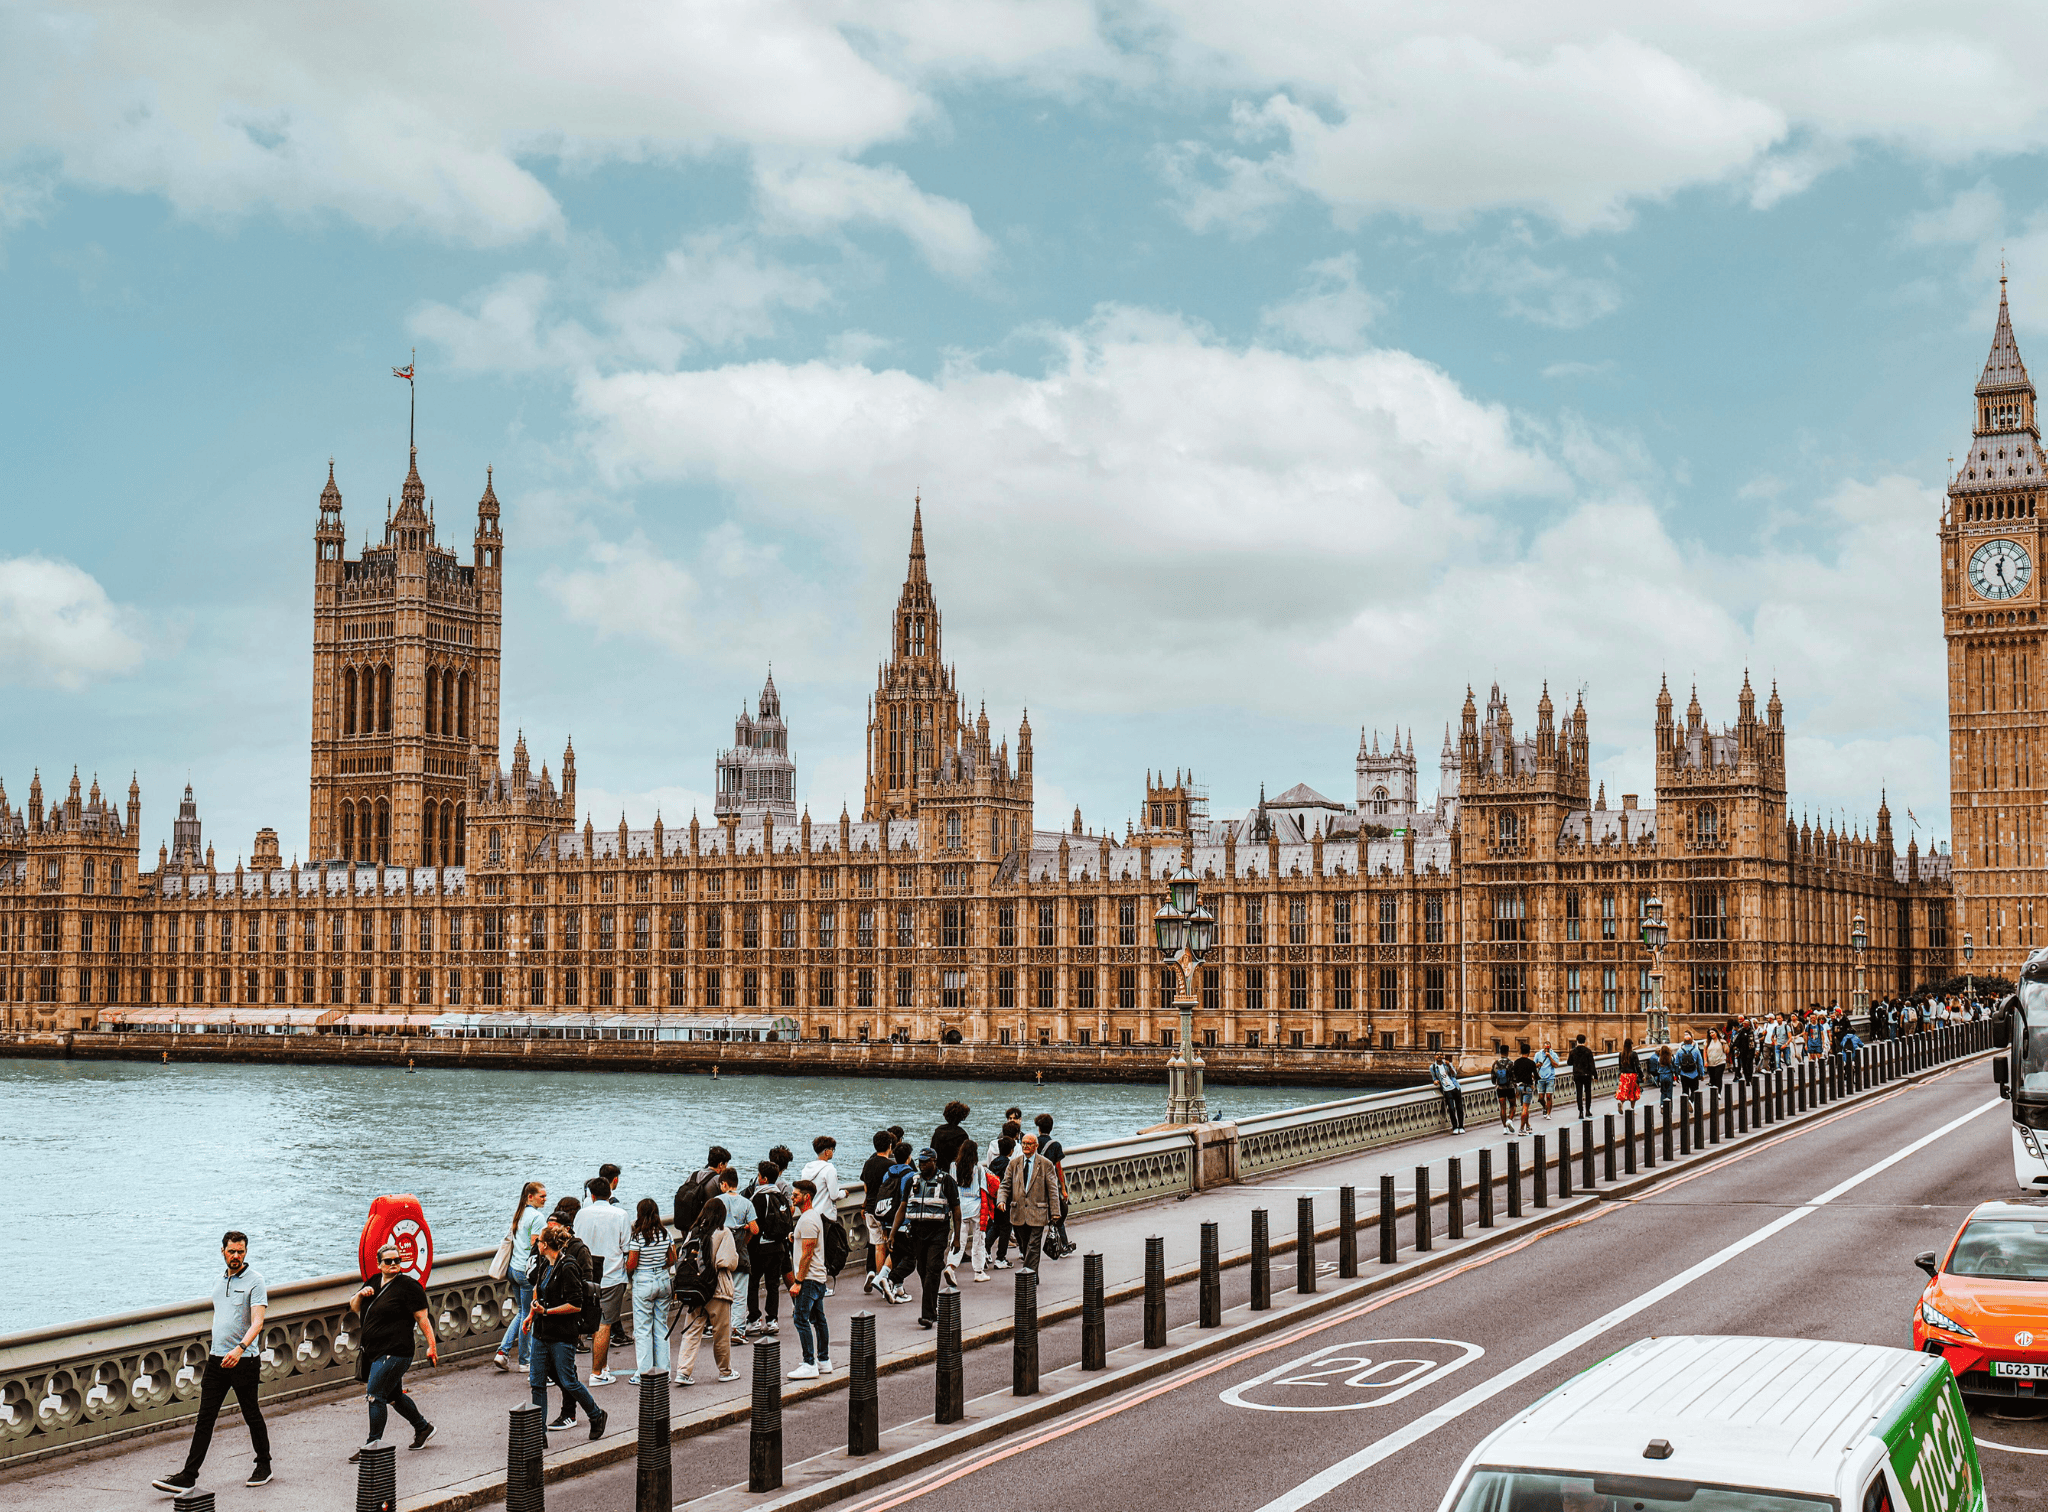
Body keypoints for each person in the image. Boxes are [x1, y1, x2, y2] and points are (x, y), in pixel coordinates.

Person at [152, 1230, 273, 1493]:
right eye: (232, 1251)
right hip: (217, 1360)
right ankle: (188, 1475)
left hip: (244, 1360)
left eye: (241, 1251)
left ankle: (264, 1464)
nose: (236, 1256)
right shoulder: (219, 1282)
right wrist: (220, 1350)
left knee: (251, 1413)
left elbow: (258, 1322)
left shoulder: (256, 1281)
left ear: (246, 1252)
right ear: (223, 1251)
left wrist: (240, 1349)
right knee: (205, 1418)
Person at [347, 1241, 437, 1459]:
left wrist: (432, 1347)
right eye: (388, 1261)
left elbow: (422, 1318)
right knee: (393, 1395)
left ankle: (372, 1445)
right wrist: (360, 1294)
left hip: (396, 1352)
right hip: (374, 1352)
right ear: (380, 1264)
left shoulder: (409, 1286)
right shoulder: (374, 1281)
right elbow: (354, 1306)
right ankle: (423, 1428)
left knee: (375, 1395)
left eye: (398, 1260)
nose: (394, 1264)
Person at [528, 1224, 607, 1439]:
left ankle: (596, 1414)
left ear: (545, 1245)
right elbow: (537, 1291)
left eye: (539, 1241)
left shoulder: (568, 1266)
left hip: (562, 1335)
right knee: (537, 1382)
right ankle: (538, 1433)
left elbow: (576, 1304)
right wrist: (531, 1314)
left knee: (568, 1380)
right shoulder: (545, 1265)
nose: (536, 1244)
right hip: (541, 1333)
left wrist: (547, 1311)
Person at [887, 1147, 962, 1328]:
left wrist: (957, 1237)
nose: (921, 1165)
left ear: (934, 1161)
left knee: (931, 1269)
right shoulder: (912, 1181)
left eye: (925, 1162)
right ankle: (933, 1308)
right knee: (923, 1271)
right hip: (917, 1232)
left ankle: (927, 1315)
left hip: (938, 1231)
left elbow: (957, 1210)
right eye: (920, 1162)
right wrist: (892, 1233)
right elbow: (902, 1208)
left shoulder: (946, 1181)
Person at [672, 1204, 741, 1387]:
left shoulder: (693, 1232)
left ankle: (683, 1372)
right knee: (721, 1332)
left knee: (692, 1331)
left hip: (696, 1289)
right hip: (717, 1289)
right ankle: (725, 1371)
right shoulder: (723, 1232)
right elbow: (727, 1261)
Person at [574, 1177, 631, 1387]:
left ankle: (603, 1367)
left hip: (586, 1275)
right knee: (604, 1324)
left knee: (589, 1321)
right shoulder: (620, 1214)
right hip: (611, 1275)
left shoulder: (581, 1214)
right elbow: (626, 1247)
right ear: (610, 1193)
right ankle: (597, 1372)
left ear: (592, 1195)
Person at [494, 1181, 548, 1373]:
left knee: (522, 1312)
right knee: (527, 1315)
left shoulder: (519, 1214)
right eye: (542, 1196)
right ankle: (524, 1360)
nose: (545, 1199)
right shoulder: (538, 1217)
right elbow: (537, 1248)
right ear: (530, 1197)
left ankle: (503, 1352)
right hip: (527, 1272)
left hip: (513, 1270)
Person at [784, 1179, 834, 1379]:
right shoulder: (812, 1217)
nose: (792, 1197)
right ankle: (823, 1360)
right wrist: (794, 1237)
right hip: (817, 1277)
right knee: (818, 1319)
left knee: (800, 1319)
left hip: (809, 1279)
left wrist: (798, 1282)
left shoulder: (807, 1220)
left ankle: (809, 1363)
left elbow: (807, 1253)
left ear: (807, 1197)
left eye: (795, 1195)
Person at [743, 1159, 795, 1338]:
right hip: (778, 1247)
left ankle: (754, 1319)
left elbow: (753, 1224)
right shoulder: (780, 1196)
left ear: (763, 1178)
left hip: (759, 1248)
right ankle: (772, 1320)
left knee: (753, 1282)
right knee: (773, 1284)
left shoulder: (758, 1197)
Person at [625, 1198, 675, 1385]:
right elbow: (672, 1259)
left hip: (644, 1281)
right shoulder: (666, 1233)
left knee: (643, 1329)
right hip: (662, 1279)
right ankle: (664, 1372)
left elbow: (632, 1263)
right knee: (661, 1326)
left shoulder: (638, 1236)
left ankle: (644, 1373)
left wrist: (627, 1269)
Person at [999, 1131, 1060, 1272]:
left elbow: (1052, 1189)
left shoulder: (1046, 1164)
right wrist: (1001, 1200)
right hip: (1018, 1211)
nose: (1025, 1146)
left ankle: (1028, 1277)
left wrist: (1055, 1212)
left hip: (1038, 1212)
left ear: (1036, 1146)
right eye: (1024, 1143)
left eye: (1029, 1144)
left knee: (1034, 1244)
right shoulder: (1014, 1164)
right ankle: (1033, 1274)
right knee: (1025, 1245)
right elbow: (1005, 1184)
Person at [798, 1135, 845, 1295]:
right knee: (823, 1253)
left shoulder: (806, 1168)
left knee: (810, 1253)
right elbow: (833, 1194)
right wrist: (843, 1194)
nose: (833, 1152)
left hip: (810, 1214)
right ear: (826, 1152)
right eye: (832, 1150)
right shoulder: (829, 1169)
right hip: (825, 1216)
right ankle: (821, 1286)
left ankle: (809, 1284)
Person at [858, 1129, 897, 1294]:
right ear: (890, 1146)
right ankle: (885, 1279)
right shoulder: (891, 1166)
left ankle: (879, 1279)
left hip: (869, 1210)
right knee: (894, 1246)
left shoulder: (868, 1163)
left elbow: (866, 1186)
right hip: (884, 1211)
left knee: (878, 1246)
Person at [1032, 1114, 1073, 1258]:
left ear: (1038, 1128)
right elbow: (1058, 1168)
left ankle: (1028, 1249)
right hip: (1050, 1186)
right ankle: (1064, 1245)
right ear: (1051, 1127)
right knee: (1058, 1214)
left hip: (1034, 1186)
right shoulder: (1055, 1145)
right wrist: (1063, 1188)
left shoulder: (1033, 1143)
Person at [673, 1147, 732, 1235]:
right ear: (720, 1165)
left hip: (688, 1225)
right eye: (726, 1165)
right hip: (706, 1230)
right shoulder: (718, 1180)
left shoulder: (693, 1175)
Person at [985, 1134, 1016, 1269]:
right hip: (1006, 1201)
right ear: (1011, 1150)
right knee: (1006, 1229)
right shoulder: (1010, 1165)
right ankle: (1000, 1257)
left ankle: (985, 1250)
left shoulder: (993, 1163)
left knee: (996, 1226)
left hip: (993, 1199)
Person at [1430, 1055, 1466, 1134]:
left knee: (1459, 1108)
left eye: (1440, 1054)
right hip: (1446, 1090)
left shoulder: (1447, 1064)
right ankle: (1455, 1127)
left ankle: (1461, 1126)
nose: (1439, 1056)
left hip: (1455, 1087)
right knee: (1451, 1109)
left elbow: (1454, 1074)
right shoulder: (1432, 1067)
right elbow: (1434, 1078)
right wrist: (1435, 1082)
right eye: (1437, 1054)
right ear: (1434, 1056)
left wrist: (1449, 1066)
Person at [932, 1100, 972, 1169]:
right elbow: (964, 1158)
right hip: (954, 1170)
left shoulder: (938, 1131)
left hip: (938, 1170)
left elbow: (932, 1151)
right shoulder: (962, 1135)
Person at [1567, 1035, 1596, 1120]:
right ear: (1585, 1041)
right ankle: (1588, 1110)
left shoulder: (1573, 1051)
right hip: (1587, 1075)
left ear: (1577, 1041)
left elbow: (1569, 1062)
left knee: (1579, 1093)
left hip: (1577, 1075)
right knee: (1588, 1093)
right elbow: (1592, 1065)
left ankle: (1580, 1112)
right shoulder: (1588, 1051)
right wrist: (1595, 1075)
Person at [1510, 1046, 1538, 1134]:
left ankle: (1528, 1126)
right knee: (1525, 1108)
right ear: (1529, 1052)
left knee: (1524, 1108)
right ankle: (1521, 1129)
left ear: (1520, 1051)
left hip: (1519, 1087)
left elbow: (1513, 1075)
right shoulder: (1531, 1063)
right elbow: (1537, 1076)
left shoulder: (1516, 1062)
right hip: (1527, 1087)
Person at [1489, 1046, 1515, 1132]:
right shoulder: (1510, 1063)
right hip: (1509, 1087)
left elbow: (1493, 1079)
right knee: (1513, 1105)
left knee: (1502, 1107)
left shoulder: (1495, 1064)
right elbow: (1514, 1077)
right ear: (1508, 1052)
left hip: (1500, 1088)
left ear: (1500, 1052)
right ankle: (1509, 1120)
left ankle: (1504, 1128)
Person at [1673, 1034, 1704, 1103]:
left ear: (1683, 1042)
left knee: (1685, 1091)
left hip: (1683, 1074)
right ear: (1691, 1041)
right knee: (1695, 1090)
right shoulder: (1696, 1050)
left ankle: (1685, 1106)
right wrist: (1702, 1074)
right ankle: (1691, 1100)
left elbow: (1676, 1064)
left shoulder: (1679, 1051)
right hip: (1694, 1073)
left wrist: (1676, 1075)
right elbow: (1700, 1064)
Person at [1535, 1042, 1559, 1119]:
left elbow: (1556, 1065)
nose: (1546, 1050)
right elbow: (1533, 1065)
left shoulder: (1554, 1054)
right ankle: (1545, 1107)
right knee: (1541, 1098)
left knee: (1549, 1096)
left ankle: (1548, 1113)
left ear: (1550, 1048)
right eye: (1545, 1048)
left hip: (1550, 1077)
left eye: (1548, 1048)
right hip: (1540, 1078)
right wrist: (1537, 1065)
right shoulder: (1538, 1054)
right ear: (1543, 1047)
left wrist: (1550, 1057)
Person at [1616, 1039, 1641, 1112]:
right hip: (1632, 1075)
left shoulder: (1621, 1054)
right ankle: (1632, 1109)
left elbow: (1620, 1066)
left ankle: (1621, 1102)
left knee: (1624, 1091)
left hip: (1623, 1075)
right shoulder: (1633, 1054)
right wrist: (1642, 1075)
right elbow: (1637, 1066)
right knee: (1633, 1093)